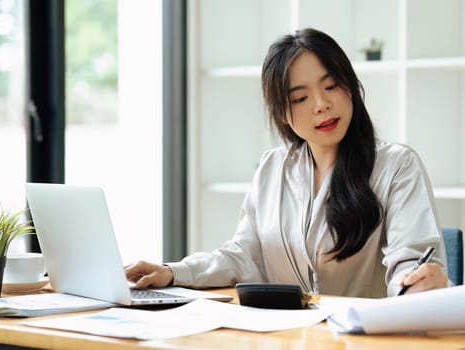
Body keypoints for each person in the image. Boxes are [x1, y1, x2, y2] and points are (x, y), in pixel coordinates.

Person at [125, 28, 448, 298]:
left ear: (351, 87)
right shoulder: (273, 167)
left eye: (331, 85)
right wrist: (172, 272)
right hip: (286, 335)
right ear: (282, 111)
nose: (322, 105)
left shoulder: (396, 165)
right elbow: (244, 255)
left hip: (362, 337)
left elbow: (410, 264)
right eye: (300, 98)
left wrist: (418, 282)